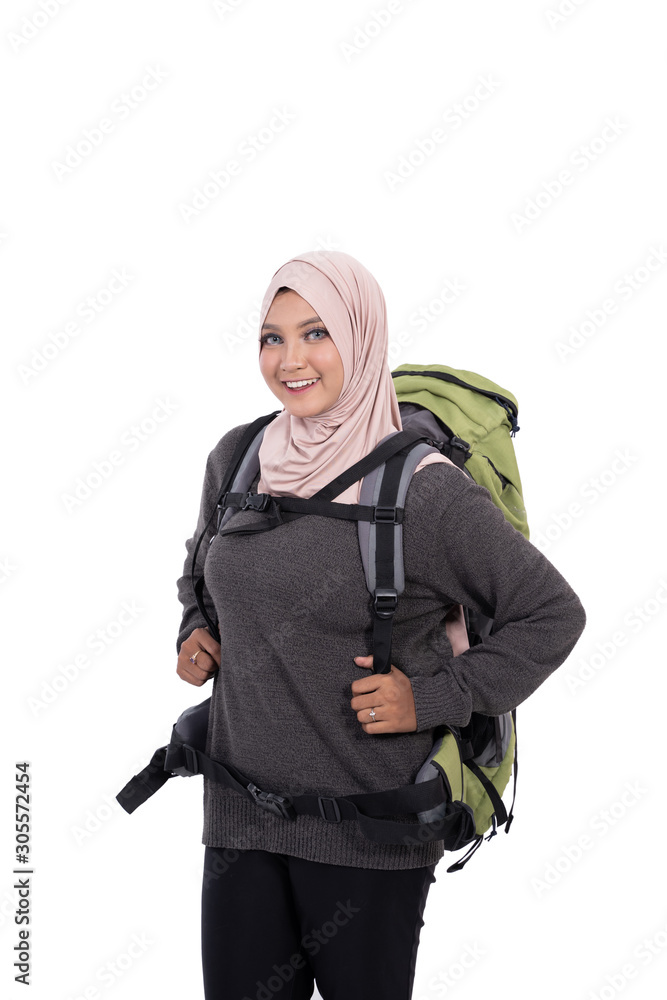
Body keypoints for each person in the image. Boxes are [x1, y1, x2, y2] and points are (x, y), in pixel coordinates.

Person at [174, 250, 586, 999]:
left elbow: (552, 614)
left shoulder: (423, 492)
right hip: (237, 820)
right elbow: (202, 563)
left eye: (316, 334)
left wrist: (430, 698)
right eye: (271, 337)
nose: (289, 360)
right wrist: (194, 626)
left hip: (370, 831)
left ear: (362, 340)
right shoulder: (237, 457)